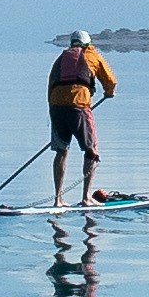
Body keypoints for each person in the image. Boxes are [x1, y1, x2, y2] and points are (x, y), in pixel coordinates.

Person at [47, 28, 117, 207]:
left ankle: (58, 199)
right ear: (88, 44)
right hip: (79, 107)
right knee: (91, 151)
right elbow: (110, 81)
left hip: (56, 108)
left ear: (71, 44)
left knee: (61, 151)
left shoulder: (60, 59)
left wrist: (55, 113)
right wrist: (109, 93)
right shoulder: (92, 55)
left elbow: (51, 87)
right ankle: (86, 198)